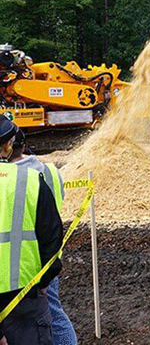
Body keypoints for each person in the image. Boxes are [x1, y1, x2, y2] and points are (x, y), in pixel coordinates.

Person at [9, 130, 77, 345]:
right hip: (49, 255)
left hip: (21, 260)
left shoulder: (13, 177)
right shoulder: (50, 170)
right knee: (53, 313)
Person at [0, 116, 62, 345]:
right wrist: (43, 281)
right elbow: (53, 236)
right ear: (8, 145)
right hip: (25, 291)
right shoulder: (30, 180)